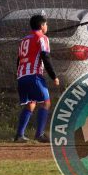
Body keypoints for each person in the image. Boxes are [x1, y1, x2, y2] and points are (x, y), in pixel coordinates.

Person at [14, 15, 59, 143]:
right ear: (41, 26)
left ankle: (19, 135)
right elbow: (45, 56)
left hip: (22, 76)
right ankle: (39, 134)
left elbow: (19, 59)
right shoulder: (42, 38)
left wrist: (19, 74)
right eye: (46, 24)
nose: (47, 26)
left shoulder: (24, 40)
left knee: (31, 104)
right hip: (34, 75)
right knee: (46, 103)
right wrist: (54, 76)